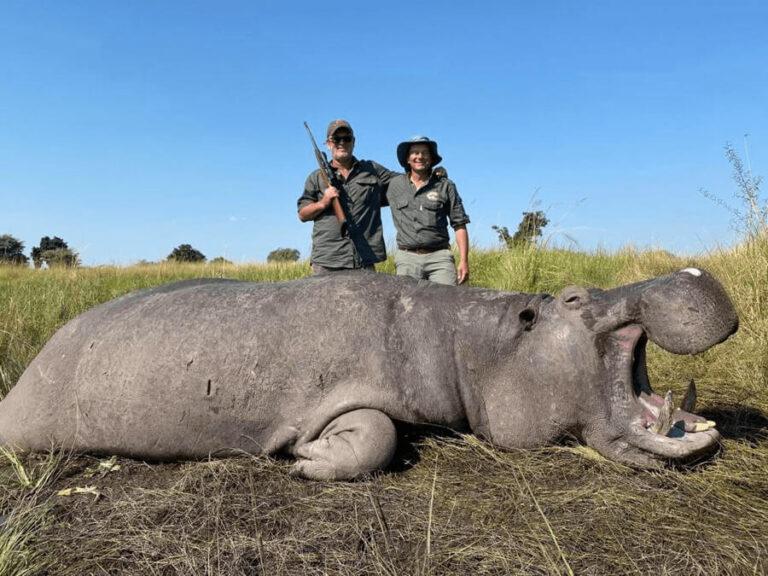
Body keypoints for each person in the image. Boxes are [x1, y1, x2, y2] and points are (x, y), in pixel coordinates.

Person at [298, 120, 396, 274]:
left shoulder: (372, 169)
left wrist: (431, 173)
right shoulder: (315, 177)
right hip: (327, 261)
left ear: (353, 142)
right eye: (337, 139)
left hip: (364, 258)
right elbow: (302, 214)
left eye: (347, 138)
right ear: (328, 144)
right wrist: (323, 202)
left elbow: (404, 182)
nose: (342, 143)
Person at [386, 136, 470, 285]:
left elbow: (459, 224)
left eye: (425, 153)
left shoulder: (445, 185)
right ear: (407, 159)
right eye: (415, 152)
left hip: (440, 258)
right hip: (407, 258)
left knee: (448, 298)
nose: (419, 156)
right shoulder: (394, 185)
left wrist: (464, 261)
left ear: (431, 159)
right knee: (406, 299)